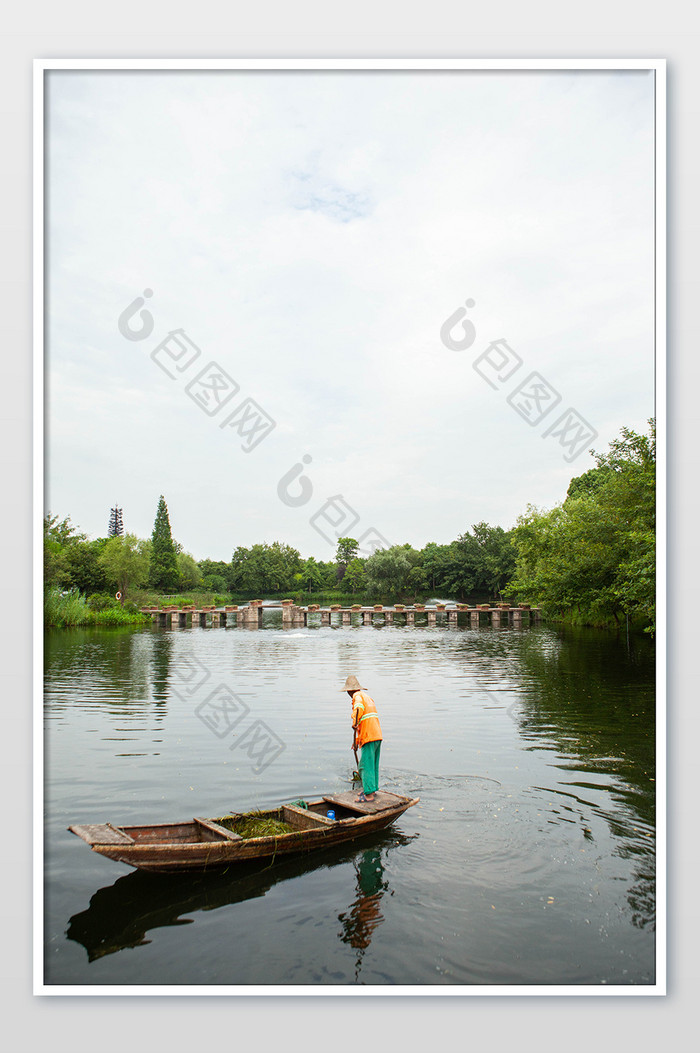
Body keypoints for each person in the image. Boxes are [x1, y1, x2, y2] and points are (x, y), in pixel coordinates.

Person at [342, 675, 383, 803]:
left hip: (369, 736)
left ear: (350, 691)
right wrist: (356, 742)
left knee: (365, 765)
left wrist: (354, 721)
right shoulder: (367, 697)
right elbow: (365, 720)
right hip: (376, 734)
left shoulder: (357, 697)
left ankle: (369, 795)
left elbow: (358, 710)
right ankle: (370, 789)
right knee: (372, 764)